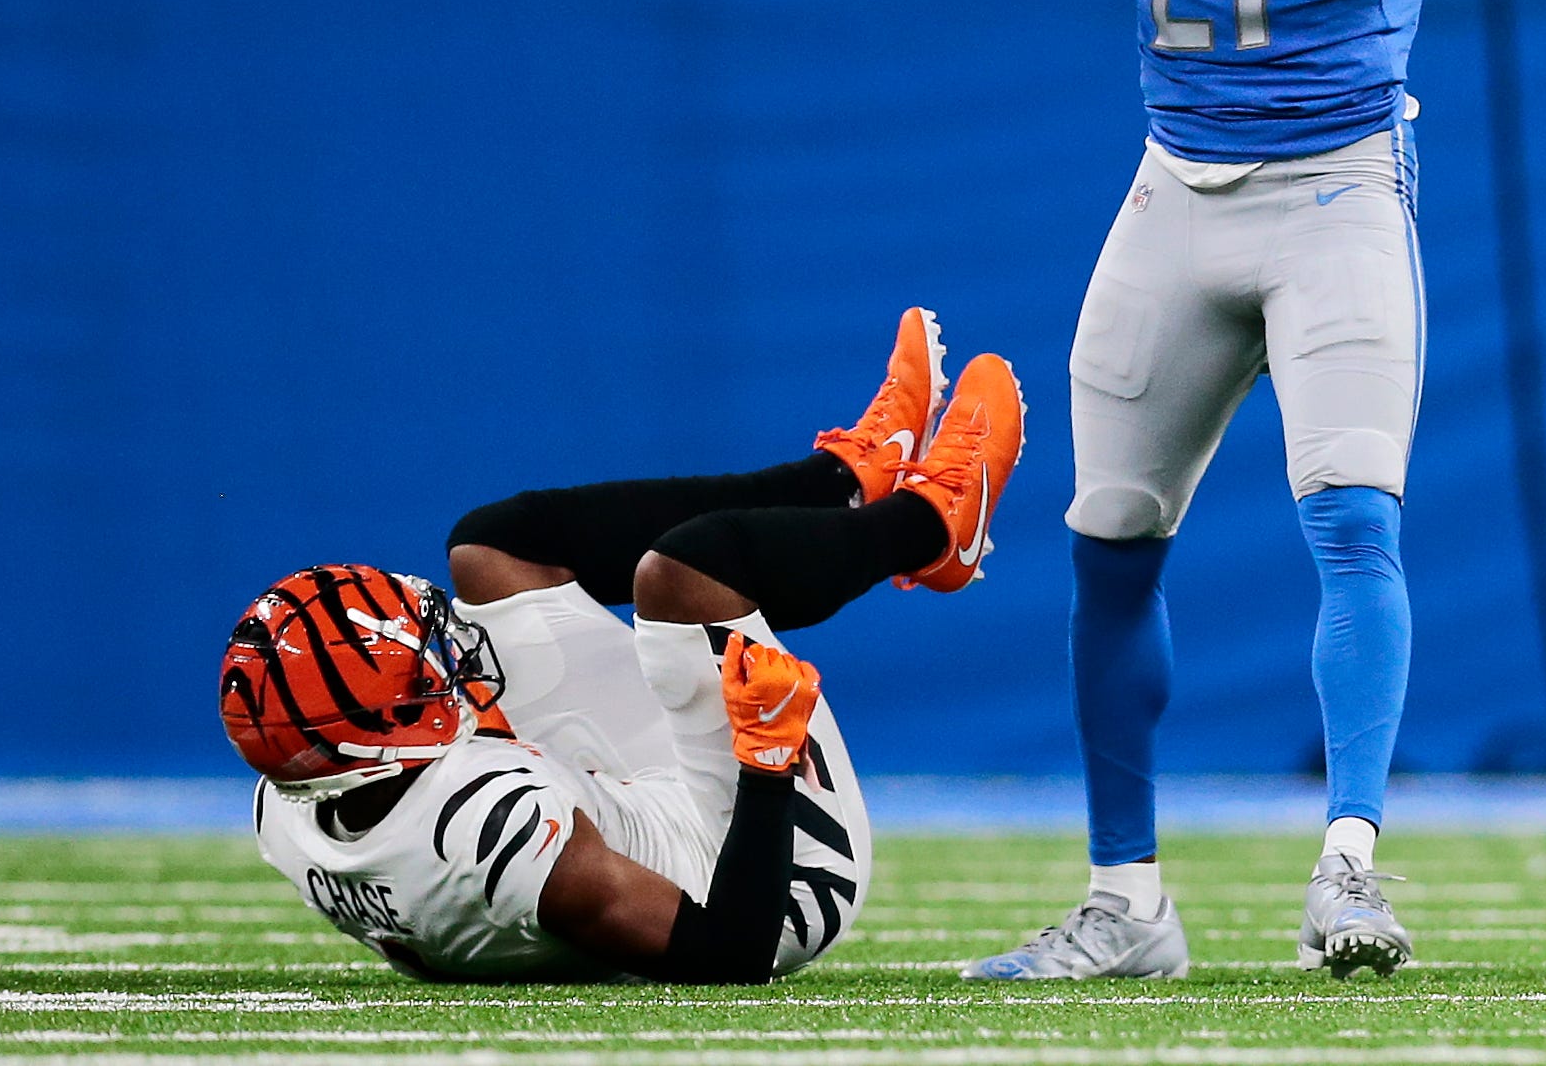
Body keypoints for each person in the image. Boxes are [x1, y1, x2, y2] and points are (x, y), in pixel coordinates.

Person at [837, 0, 1546, 980]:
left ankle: (1349, 870)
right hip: (1176, 187)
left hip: (1336, 187)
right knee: (1106, 540)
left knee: (1350, 520)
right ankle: (1127, 903)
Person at [220, 311, 1024, 982]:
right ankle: (931, 527)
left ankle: (840, 480)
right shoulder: (483, 831)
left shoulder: (295, 799)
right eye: (423, 678)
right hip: (749, 878)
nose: (449, 661)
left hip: (597, 799)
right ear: (390, 739)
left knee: (491, 548)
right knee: (690, 574)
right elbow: (726, 954)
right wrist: (766, 768)